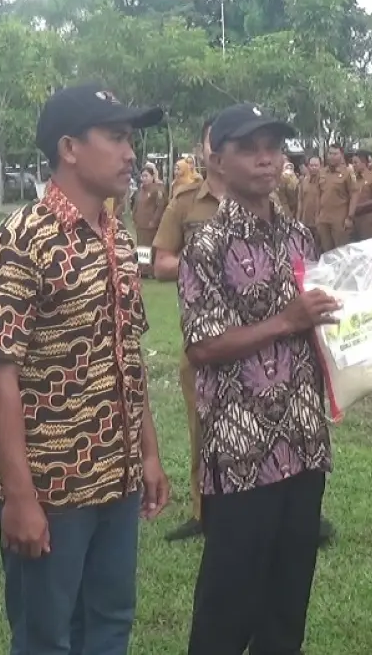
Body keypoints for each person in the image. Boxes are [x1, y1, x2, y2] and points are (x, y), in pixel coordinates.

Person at [0, 84, 170, 654]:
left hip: (117, 476)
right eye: (115, 137)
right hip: (53, 485)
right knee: (46, 639)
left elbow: (126, 354)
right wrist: (20, 496)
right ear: (69, 149)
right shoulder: (20, 240)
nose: (130, 152)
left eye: (131, 138)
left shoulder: (114, 235)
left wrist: (148, 453)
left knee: (111, 624)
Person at [178, 103, 336, 655]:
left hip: (303, 443)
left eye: (273, 146)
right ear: (217, 157)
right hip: (242, 453)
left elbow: (321, 326)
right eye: (249, 147)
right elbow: (202, 346)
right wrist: (286, 321)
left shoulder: (300, 237)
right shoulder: (206, 244)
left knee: (287, 605)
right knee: (227, 605)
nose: (266, 158)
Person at [153, 120, 221, 543]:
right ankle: (203, 511)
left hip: (266, 337)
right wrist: (212, 264)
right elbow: (161, 262)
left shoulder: (265, 198)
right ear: (204, 147)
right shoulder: (185, 202)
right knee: (203, 427)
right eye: (219, 139)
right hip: (203, 338)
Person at [315, 144, 357, 252]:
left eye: (335, 154)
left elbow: (354, 195)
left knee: (341, 252)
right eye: (330, 153)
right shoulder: (322, 172)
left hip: (340, 220)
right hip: (324, 219)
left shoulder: (347, 173)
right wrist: (317, 216)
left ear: (341, 155)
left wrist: (350, 217)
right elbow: (318, 195)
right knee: (327, 251)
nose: (332, 156)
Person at [350, 150, 372, 241]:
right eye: (352, 163)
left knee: (366, 246)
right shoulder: (352, 178)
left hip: (367, 218)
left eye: (356, 163)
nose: (353, 165)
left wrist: (362, 205)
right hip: (353, 219)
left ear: (363, 163)